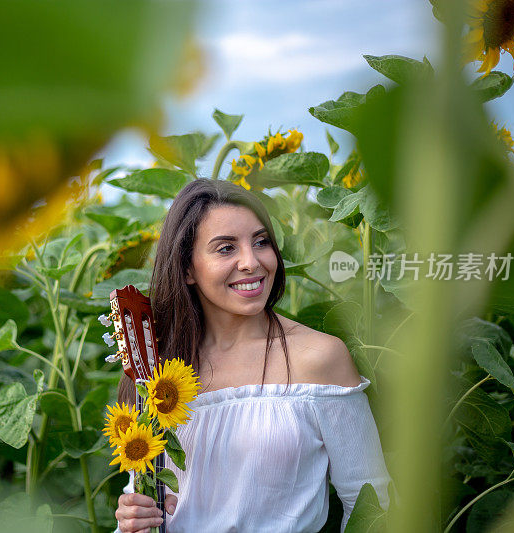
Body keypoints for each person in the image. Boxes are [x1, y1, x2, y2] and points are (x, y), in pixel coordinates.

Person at [113, 178, 392, 533]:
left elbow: (372, 506)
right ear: (186, 269)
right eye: (226, 248)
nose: (252, 261)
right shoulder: (160, 374)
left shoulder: (318, 358)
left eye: (261, 242)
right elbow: (144, 505)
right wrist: (131, 521)